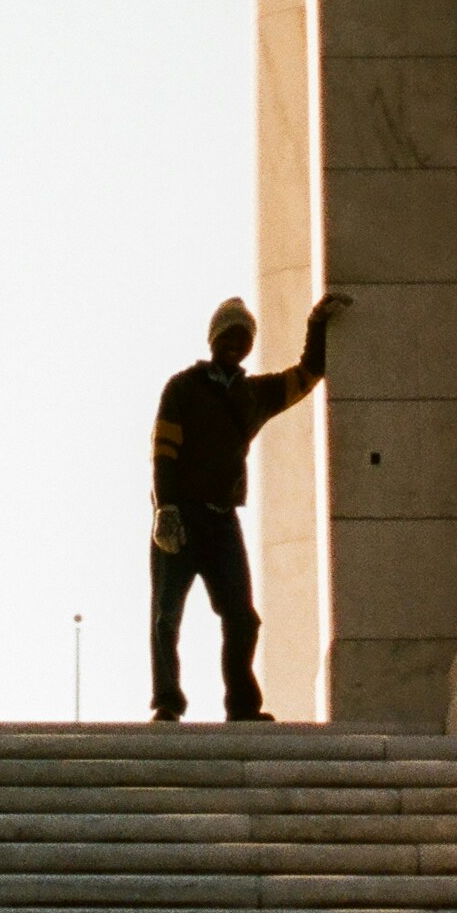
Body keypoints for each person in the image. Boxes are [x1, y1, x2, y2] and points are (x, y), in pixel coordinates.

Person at [148, 289, 341, 721]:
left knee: (243, 618)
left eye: (244, 339)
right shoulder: (182, 388)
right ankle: (167, 703)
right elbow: (163, 450)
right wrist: (165, 509)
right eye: (228, 337)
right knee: (166, 615)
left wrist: (317, 324)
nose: (236, 346)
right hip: (179, 517)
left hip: (222, 522)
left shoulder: (253, 396)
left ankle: (242, 707)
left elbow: (307, 375)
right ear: (212, 339)